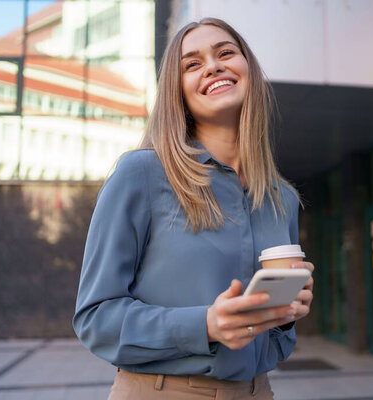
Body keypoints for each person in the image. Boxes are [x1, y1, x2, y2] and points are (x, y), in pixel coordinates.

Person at [73, 17, 314, 400]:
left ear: (246, 67)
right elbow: (95, 320)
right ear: (177, 91)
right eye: (192, 63)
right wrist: (205, 325)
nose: (213, 66)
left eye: (225, 53)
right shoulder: (141, 175)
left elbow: (277, 345)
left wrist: (285, 316)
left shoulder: (280, 198)